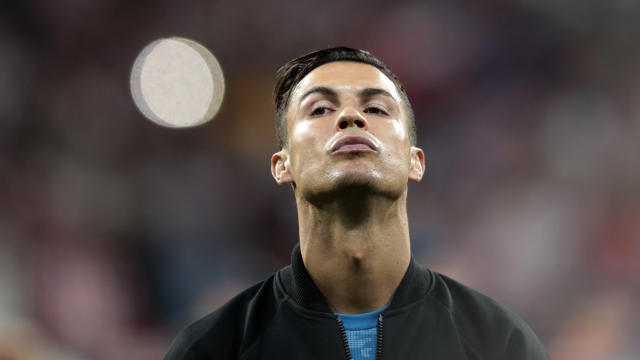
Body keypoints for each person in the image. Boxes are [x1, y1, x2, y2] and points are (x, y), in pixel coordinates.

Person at [164, 47, 549, 360]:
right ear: (283, 165)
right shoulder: (213, 349)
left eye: (377, 109)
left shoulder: (500, 344)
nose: (351, 116)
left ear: (416, 161)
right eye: (320, 110)